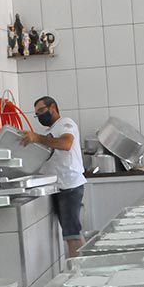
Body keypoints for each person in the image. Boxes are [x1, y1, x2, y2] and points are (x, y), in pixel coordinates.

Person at [21, 96, 86, 257]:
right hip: (60, 186)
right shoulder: (49, 132)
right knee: (71, 232)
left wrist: (36, 138)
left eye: (41, 110)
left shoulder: (65, 123)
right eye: (37, 114)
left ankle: (79, 268)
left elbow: (66, 144)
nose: (39, 115)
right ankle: (79, 265)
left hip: (70, 185)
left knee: (72, 234)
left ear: (52, 108)